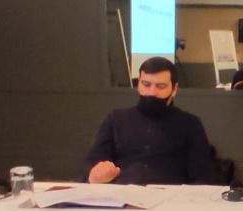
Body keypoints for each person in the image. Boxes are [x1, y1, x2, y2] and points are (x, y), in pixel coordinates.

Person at [84, 57, 213, 185]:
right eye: (146, 84)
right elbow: (93, 162)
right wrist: (95, 175)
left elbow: (201, 176)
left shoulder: (190, 124)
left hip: (170, 193)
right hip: (122, 191)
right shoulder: (115, 119)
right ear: (138, 84)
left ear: (174, 89)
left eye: (160, 86)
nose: (151, 92)